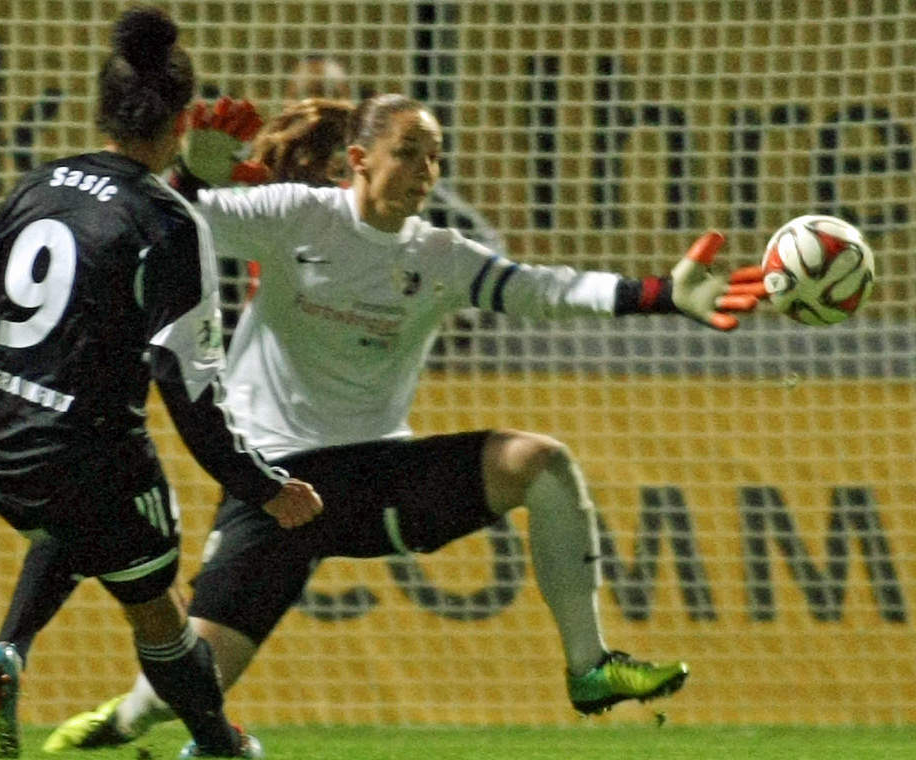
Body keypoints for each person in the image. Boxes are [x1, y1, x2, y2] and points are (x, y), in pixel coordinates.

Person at [39, 93, 767, 752]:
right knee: (186, 686)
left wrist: (661, 295)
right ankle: (122, 723)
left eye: (435, 155)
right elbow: (172, 229)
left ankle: (591, 666)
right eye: (409, 151)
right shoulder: (296, 215)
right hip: (274, 482)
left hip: (374, 474)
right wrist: (190, 182)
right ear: (361, 159)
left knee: (541, 463)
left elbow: (546, 290)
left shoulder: (439, 257)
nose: (426, 168)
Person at [0, 8, 322, 759]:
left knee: (76, 518)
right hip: (84, 450)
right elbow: (188, 388)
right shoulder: (174, 225)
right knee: (160, 614)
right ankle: (220, 744)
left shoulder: (41, 183)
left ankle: (9, 652)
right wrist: (261, 485)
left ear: (101, 108)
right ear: (183, 119)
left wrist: (19, 391)